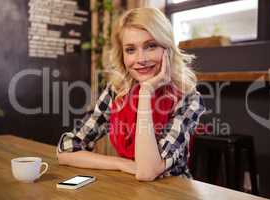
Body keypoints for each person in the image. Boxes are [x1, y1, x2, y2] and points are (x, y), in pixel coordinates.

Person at [57, 7, 205, 181]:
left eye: (151, 46)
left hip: (173, 191)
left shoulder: (188, 99)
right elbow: (66, 149)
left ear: (168, 49)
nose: (141, 59)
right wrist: (120, 164)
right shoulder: (117, 92)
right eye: (130, 49)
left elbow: (147, 171)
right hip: (127, 185)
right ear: (122, 55)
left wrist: (146, 92)